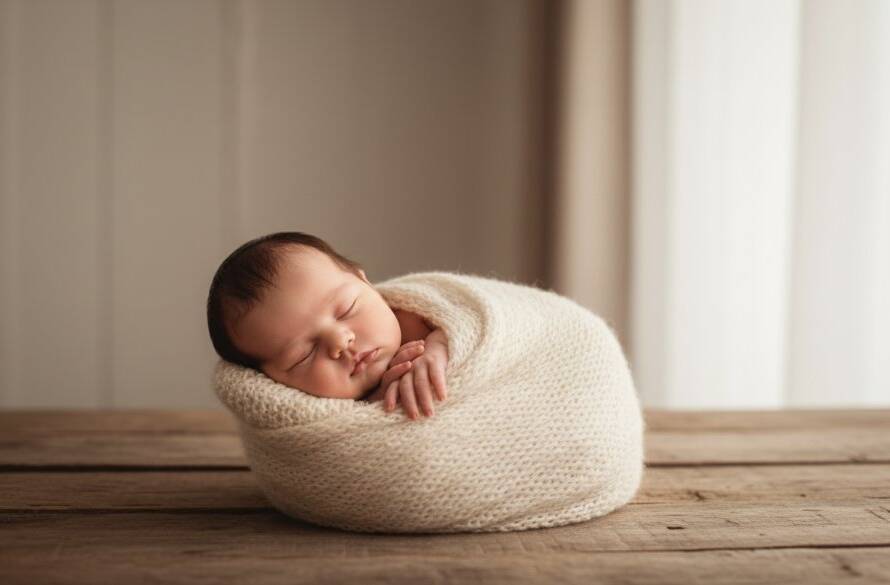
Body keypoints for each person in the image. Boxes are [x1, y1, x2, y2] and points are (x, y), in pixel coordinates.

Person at [207, 232, 448, 420]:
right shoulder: (309, 415)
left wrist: (440, 348)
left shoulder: (416, 318)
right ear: (271, 381)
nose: (340, 342)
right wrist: (375, 405)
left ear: (365, 282)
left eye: (347, 309)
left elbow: (474, 323)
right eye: (303, 355)